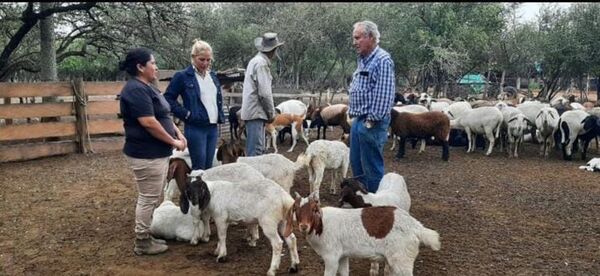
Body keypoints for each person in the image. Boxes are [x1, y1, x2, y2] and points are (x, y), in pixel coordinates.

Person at [118, 47, 187, 255]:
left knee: (152, 195)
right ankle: (142, 241)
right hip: (146, 153)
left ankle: (146, 233)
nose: (156, 67)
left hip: (156, 152)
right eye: (153, 63)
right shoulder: (136, 90)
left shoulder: (148, 87)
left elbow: (163, 115)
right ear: (140, 67)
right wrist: (173, 142)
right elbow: (148, 122)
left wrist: (177, 133)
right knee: (148, 197)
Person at [347, 21, 395, 193]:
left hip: (371, 122)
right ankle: (363, 200)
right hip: (359, 120)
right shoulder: (363, 60)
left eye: (358, 38)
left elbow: (384, 95)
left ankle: (376, 206)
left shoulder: (382, 60)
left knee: (371, 165)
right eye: (354, 38)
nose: (354, 42)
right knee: (356, 162)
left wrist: (370, 122)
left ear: (371, 38)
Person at [164, 39, 225, 170]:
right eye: (202, 59)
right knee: (199, 167)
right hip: (195, 127)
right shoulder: (182, 76)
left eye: (208, 60)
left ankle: (204, 190)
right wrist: (186, 114)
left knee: (209, 166)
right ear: (193, 57)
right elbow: (168, 98)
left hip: (212, 127)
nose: (205, 63)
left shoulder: (213, 76)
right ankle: (193, 190)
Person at [240, 32, 284, 156]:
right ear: (273, 50)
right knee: (256, 152)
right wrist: (271, 113)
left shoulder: (256, 61)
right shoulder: (261, 64)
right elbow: (264, 93)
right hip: (256, 113)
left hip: (253, 112)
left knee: (255, 149)